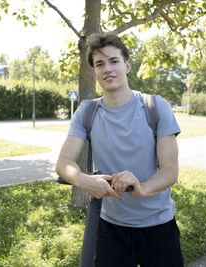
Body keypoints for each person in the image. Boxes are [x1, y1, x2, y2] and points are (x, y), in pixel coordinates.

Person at [55, 32, 184, 266]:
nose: (107, 69)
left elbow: (170, 170)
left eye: (114, 61)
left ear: (127, 65)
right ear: (94, 72)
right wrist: (84, 181)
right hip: (110, 230)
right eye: (100, 64)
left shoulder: (155, 106)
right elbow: (63, 163)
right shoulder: (86, 111)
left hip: (159, 229)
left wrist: (142, 188)